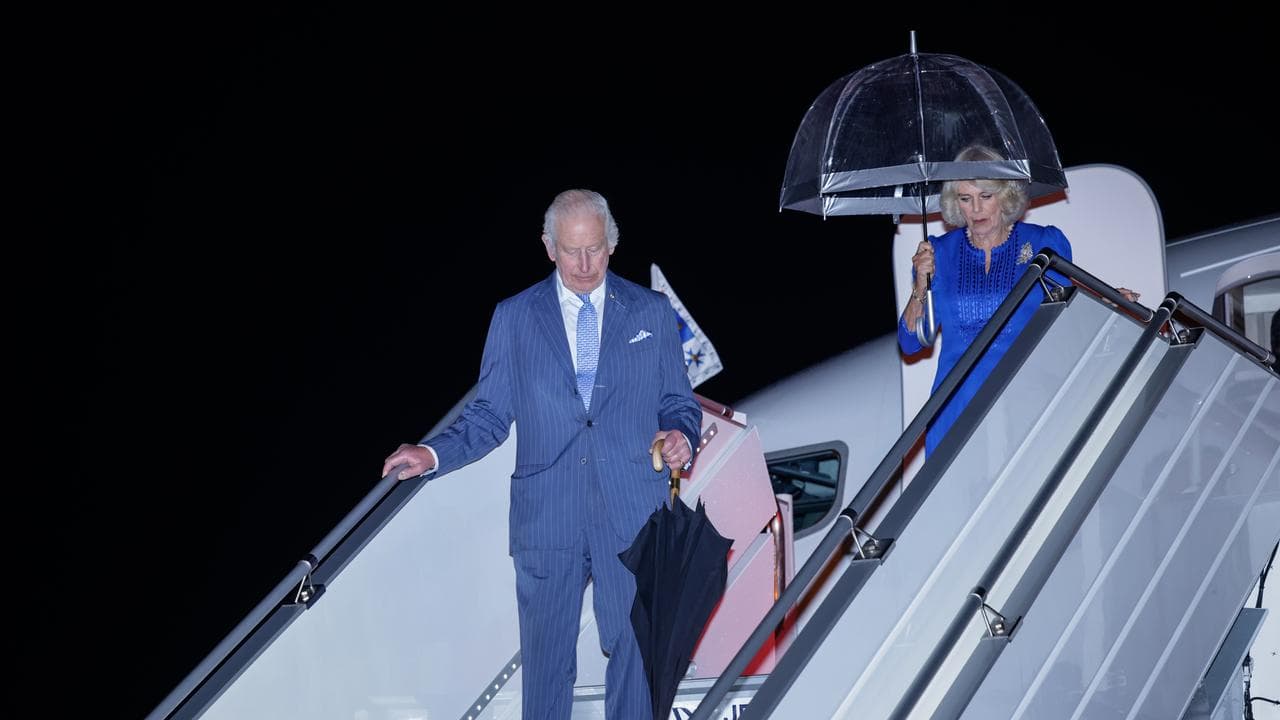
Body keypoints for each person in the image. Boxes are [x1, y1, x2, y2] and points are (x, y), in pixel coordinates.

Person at [382, 189, 701, 720]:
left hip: (633, 511)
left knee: (637, 653)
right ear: (548, 247)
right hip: (546, 516)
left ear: (612, 245)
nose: (583, 265)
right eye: (571, 251)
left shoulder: (651, 310)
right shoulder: (514, 318)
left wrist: (680, 437)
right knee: (547, 664)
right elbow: (487, 415)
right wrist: (432, 454)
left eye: (595, 250)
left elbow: (677, 402)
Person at [898, 144, 1139, 456]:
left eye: (986, 196)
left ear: (1006, 195)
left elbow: (1070, 310)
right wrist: (920, 282)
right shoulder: (938, 252)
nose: (976, 209)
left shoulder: (1042, 242)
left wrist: (1110, 302)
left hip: (1030, 404)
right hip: (957, 409)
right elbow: (912, 344)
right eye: (965, 199)